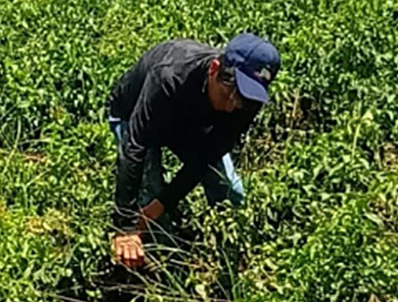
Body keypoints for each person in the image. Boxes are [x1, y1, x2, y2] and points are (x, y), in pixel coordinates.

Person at [107, 33, 281, 269]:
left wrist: (163, 203)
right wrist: (125, 226)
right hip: (135, 116)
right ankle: (164, 269)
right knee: (147, 197)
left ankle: (229, 260)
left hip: (188, 124)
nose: (232, 107)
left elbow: (207, 156)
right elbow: (134, 146)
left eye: (243, 100)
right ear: (215, 69)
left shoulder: (248, 100)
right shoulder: (170, 76)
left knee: (230, 191)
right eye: (228, 95)